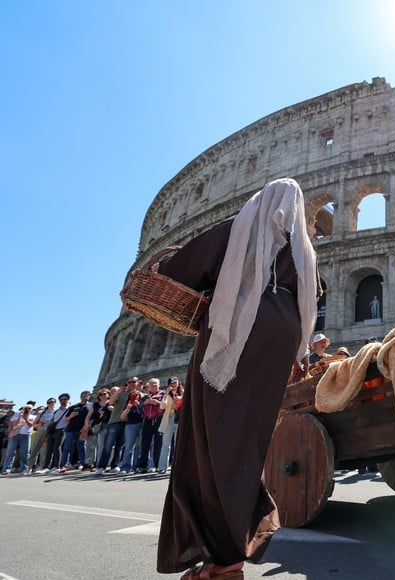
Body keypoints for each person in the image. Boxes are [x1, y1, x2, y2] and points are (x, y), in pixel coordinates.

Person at [155, 178, 318, 579]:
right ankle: (229, 552)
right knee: (249, 442)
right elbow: (317, 294)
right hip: (280, 341)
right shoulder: (302, 251)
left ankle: (223, 559)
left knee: (209, 442)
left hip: (237, 334)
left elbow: (188, 265)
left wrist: (162, 269)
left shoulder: (241, 226)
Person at [2, 403, 35, 474]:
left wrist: (26, 418)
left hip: (26, 435)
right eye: (26, 408)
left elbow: (30, 425)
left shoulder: (33, 416)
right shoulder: (17, 414)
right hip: (15, 435)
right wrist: (20, 417)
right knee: (10, 452)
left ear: (32, 409)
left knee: (25, 453)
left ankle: (24, 469)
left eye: (29, 408)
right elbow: (13, 423)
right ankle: (6, 469)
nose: (27, 410)